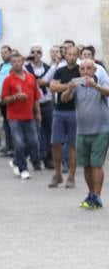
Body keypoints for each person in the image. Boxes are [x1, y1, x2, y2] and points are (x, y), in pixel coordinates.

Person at [60, 59, 109, 209]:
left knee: (96, 164)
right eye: (82, 69)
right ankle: (91, 194)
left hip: (100, 130)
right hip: (82, 131)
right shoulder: (77, 84)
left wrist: (95, 86)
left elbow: (107, 92)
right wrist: (69, 89)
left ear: (94, 70)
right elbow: (63, 99)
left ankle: (98, 196)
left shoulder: (100, 82)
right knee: (86, 166)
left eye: (89, 68)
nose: (85, 71)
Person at [1, 52, 42, 180]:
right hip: (14, 117)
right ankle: (23, 168)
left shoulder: (30, 77)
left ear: (22, 62)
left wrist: (38, 113)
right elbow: (3, 100)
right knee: (19, 143)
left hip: (29, 115)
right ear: (11, 64)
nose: (17, 64)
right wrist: (15, 97)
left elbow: (36, 98)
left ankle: (16, 161)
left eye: (19, 61)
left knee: (34, 142)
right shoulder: (8, 80)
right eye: (14, 62)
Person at [49, 45, 80, 189]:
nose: (71, 57)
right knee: (56, 143)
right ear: (65, 55)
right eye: (69, 54)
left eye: (74, 54)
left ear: (77, 56)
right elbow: (52, 87)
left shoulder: (81, 70)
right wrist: (68, 85)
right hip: (58, 110)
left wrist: (61, 86)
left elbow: (80, 86)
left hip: (75, 111)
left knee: (73, 144)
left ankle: (71, 177)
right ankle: (58, 174)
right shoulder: (60, 71)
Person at [26, 45, 54, 169]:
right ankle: (36, 159)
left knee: (49, 132)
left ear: (42, 54)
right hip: (32, 104)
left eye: (38, 52)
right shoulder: (25, 68)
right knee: (33, 133)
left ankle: (48, 158)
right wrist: (27, 58)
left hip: (47, 102)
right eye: (33, 52)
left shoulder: (48, 68)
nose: (35, 54)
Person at [0, 45, 14, 156]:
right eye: (2, 53)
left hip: (11, 100)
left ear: (11, 53)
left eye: (6, 52)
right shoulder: (2, 66)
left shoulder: (14, 65)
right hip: (2, 100)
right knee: (6, 124)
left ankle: (14, 147)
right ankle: (8, 146)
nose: (3, 55)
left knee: (12, 124)